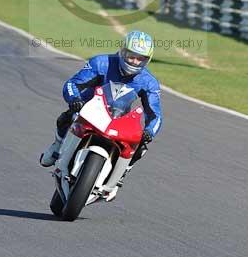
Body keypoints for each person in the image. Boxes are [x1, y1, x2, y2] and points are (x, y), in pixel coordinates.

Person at [40, 30, 162, 168]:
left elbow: (155, 114)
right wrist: (74, 99)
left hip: (118, 118)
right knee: (67, 117)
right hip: (89, 109)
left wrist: (149, 131)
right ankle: (58, 145)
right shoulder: (100, 63)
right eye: (131, 56)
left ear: (148, 60)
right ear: (122, 51)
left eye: (141, 58)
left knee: (140, 145)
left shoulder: (150, 82)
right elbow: (72, 84)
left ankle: (121, 173)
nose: (134, 62)